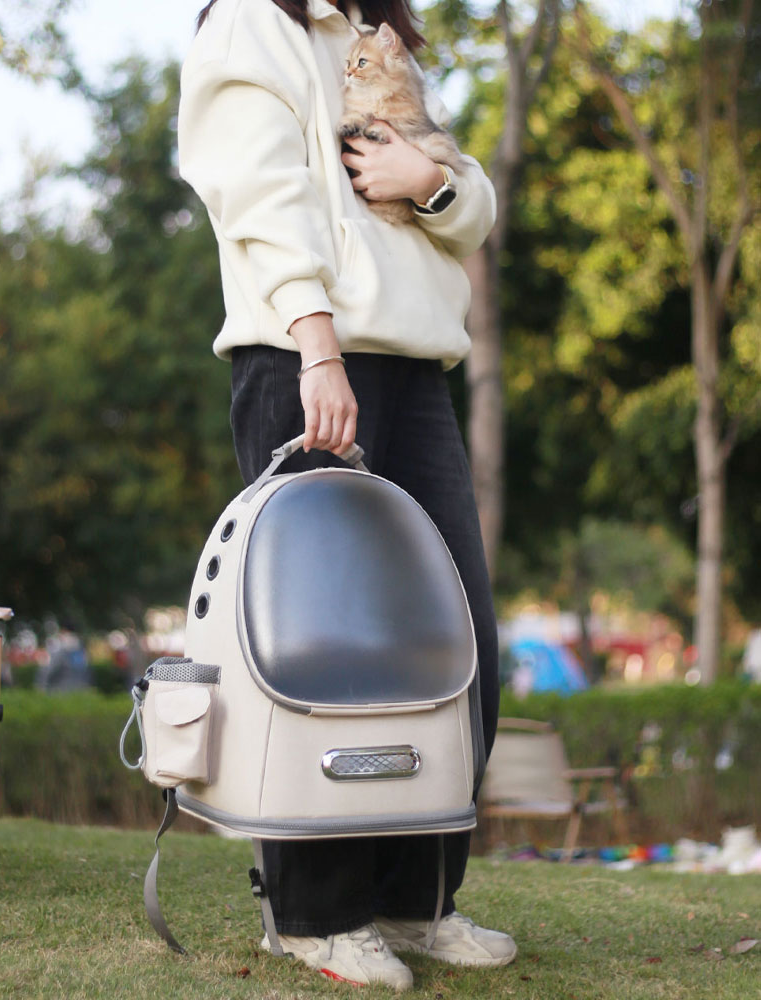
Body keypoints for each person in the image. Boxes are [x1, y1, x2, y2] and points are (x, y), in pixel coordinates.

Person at [178, 0, 515, 988]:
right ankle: (314, 916)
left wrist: (430, 182)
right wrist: (316, 348)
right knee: (322, 653)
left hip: (416, 369)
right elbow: (256, 195)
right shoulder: (250, 23)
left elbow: (472, 211)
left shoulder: (378, 36)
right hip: (306, 356)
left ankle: (417, 900)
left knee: (455, 643)